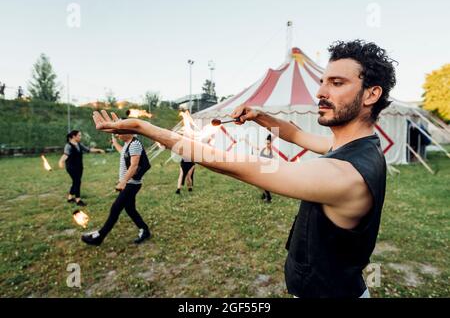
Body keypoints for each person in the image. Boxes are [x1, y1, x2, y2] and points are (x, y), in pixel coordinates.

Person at [92, 39, 396, 298]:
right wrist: (260, 117)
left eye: (337, 83)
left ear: (371, 94)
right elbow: (296, 134)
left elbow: (241, 167)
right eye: (323, 81)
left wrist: (146, 128)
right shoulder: (358, 147)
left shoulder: (346, 176)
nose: (320, 92)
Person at [81, 132, 151, 246]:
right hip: (128, 183)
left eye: (119, 133)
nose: (117, 135)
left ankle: (99, 236)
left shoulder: (135, 144)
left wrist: (123, 182)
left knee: (115, 208)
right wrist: (115, 142)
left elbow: (134, 166)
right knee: (130, 209)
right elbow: (123, 153)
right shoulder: (128, 144)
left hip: (131, 184)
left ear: (127, 131)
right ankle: (145, 230)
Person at [58, 130, 105, 206]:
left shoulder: (79, 144)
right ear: (74, 136)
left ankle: (70, 198)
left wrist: (98, 150)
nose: (80, 137)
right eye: (79, 135)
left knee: (76, 182)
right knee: (77, 182)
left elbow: (88, 149)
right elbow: (65, 155)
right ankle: (78, 199)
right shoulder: (68, 145)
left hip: (79, 167)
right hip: (71, 167)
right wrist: (61, 161)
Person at [259, 134, 273, 203]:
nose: (266, 145)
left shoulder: (270, 151)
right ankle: (264, 195)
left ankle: (268, 198)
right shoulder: (264, 149)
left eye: (268, 143)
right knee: (260, 184)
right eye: (266, 143)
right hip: (261, 168)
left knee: (262, 184)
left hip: (266, 169)